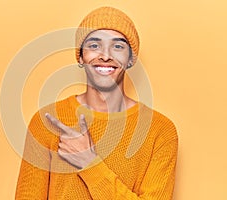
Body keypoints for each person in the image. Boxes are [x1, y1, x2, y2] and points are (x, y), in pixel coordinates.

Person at [15, 6, 178, 200]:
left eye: (117, 46)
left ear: (130, 59)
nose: (105, 55)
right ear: (81, 56)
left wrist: (90, 164)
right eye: (94, 46)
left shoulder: (160, 131)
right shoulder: (47, 121)